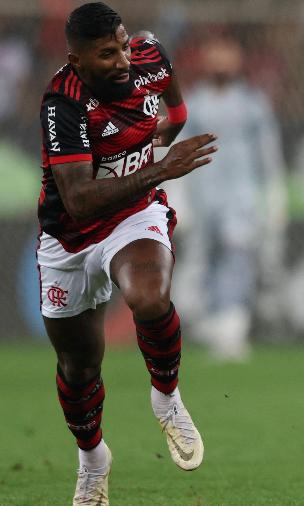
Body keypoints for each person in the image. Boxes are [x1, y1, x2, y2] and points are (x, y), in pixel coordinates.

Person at [36, 4, 216, 504]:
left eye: (121, 45)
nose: (121, 60)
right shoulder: (63, 103)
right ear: (77, 61)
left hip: (135, 214)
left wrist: (161, 146)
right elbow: (78, 199)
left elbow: (175, 111)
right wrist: (162, 168)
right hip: (69, 238)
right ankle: (93, 460)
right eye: (106, 54)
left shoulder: (150, 56)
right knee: (79, 365)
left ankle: (167, 399)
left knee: (151, 299)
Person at [175, 36, 287, 361]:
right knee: (201, 259)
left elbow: (268, 154)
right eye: (215, 57)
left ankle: (233, 324)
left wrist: (273, 194)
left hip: (241, 195)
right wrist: (177, 194)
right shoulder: (192, 104)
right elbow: (179, 149)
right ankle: (208, 322)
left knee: (238, 255)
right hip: (201, 192)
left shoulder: (253, 104)